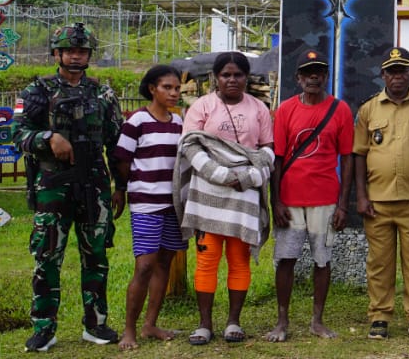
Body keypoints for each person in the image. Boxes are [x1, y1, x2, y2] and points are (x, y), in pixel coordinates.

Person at [12, 23, 125, 351]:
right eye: (70, 51)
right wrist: (48, 138)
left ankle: (96, 324)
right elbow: (17, 134)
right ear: (57, 53)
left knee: (97, 256)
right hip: (53, 186)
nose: (76, 56)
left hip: (93, 185)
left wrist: (120, 187)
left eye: (82, 51)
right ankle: (44, 328)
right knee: (47, 257)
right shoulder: (37, 91)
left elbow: (116, 143)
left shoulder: (102, 93)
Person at [177, 52, 275, 346]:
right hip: (208, 192)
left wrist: (247, 177)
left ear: (247, 78)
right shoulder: (202, 107)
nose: (232, 80)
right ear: (216, 78)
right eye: (226, 75)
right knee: (206, 260)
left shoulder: (259, 108)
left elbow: (267, 150)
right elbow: (190, 146)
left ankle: (234, 322)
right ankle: (204, 324)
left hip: (243, 195)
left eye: (238, 75)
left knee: (238, 259)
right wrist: (219, 174)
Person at [354, 47, 409, 341]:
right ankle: (380, 316)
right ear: (383, 75)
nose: (397, 76)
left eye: (402, 70)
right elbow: (358, 154)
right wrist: (361, 196)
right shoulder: (368, 109)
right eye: (391, 71)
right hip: (377, 201)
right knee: (379, 263)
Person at [266, 49, 354, 342]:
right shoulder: (286, 110)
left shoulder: (340, 110)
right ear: (298, 78)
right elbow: (277, 158)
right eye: (307, 72)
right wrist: (275, 200)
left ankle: (317, 321)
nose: (313, 77)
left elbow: (348, 158)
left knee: (322, 260)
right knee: (286, 259)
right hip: (290, 200)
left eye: (319, 72)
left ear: (326, 77)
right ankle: (281, 321)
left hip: (325, 198)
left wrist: (344, 204)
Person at [113, 65, 186, 350]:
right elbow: (122, 159)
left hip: (173, 203)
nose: (174, 92)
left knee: (165, 262)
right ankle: (129, 330)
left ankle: (150, 324)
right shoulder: (137, 121)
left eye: (177, 88)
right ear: (152, 89)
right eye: (167, 87)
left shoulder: (179, 123)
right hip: (146, 203)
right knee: (144, 265)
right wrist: (122, 188)